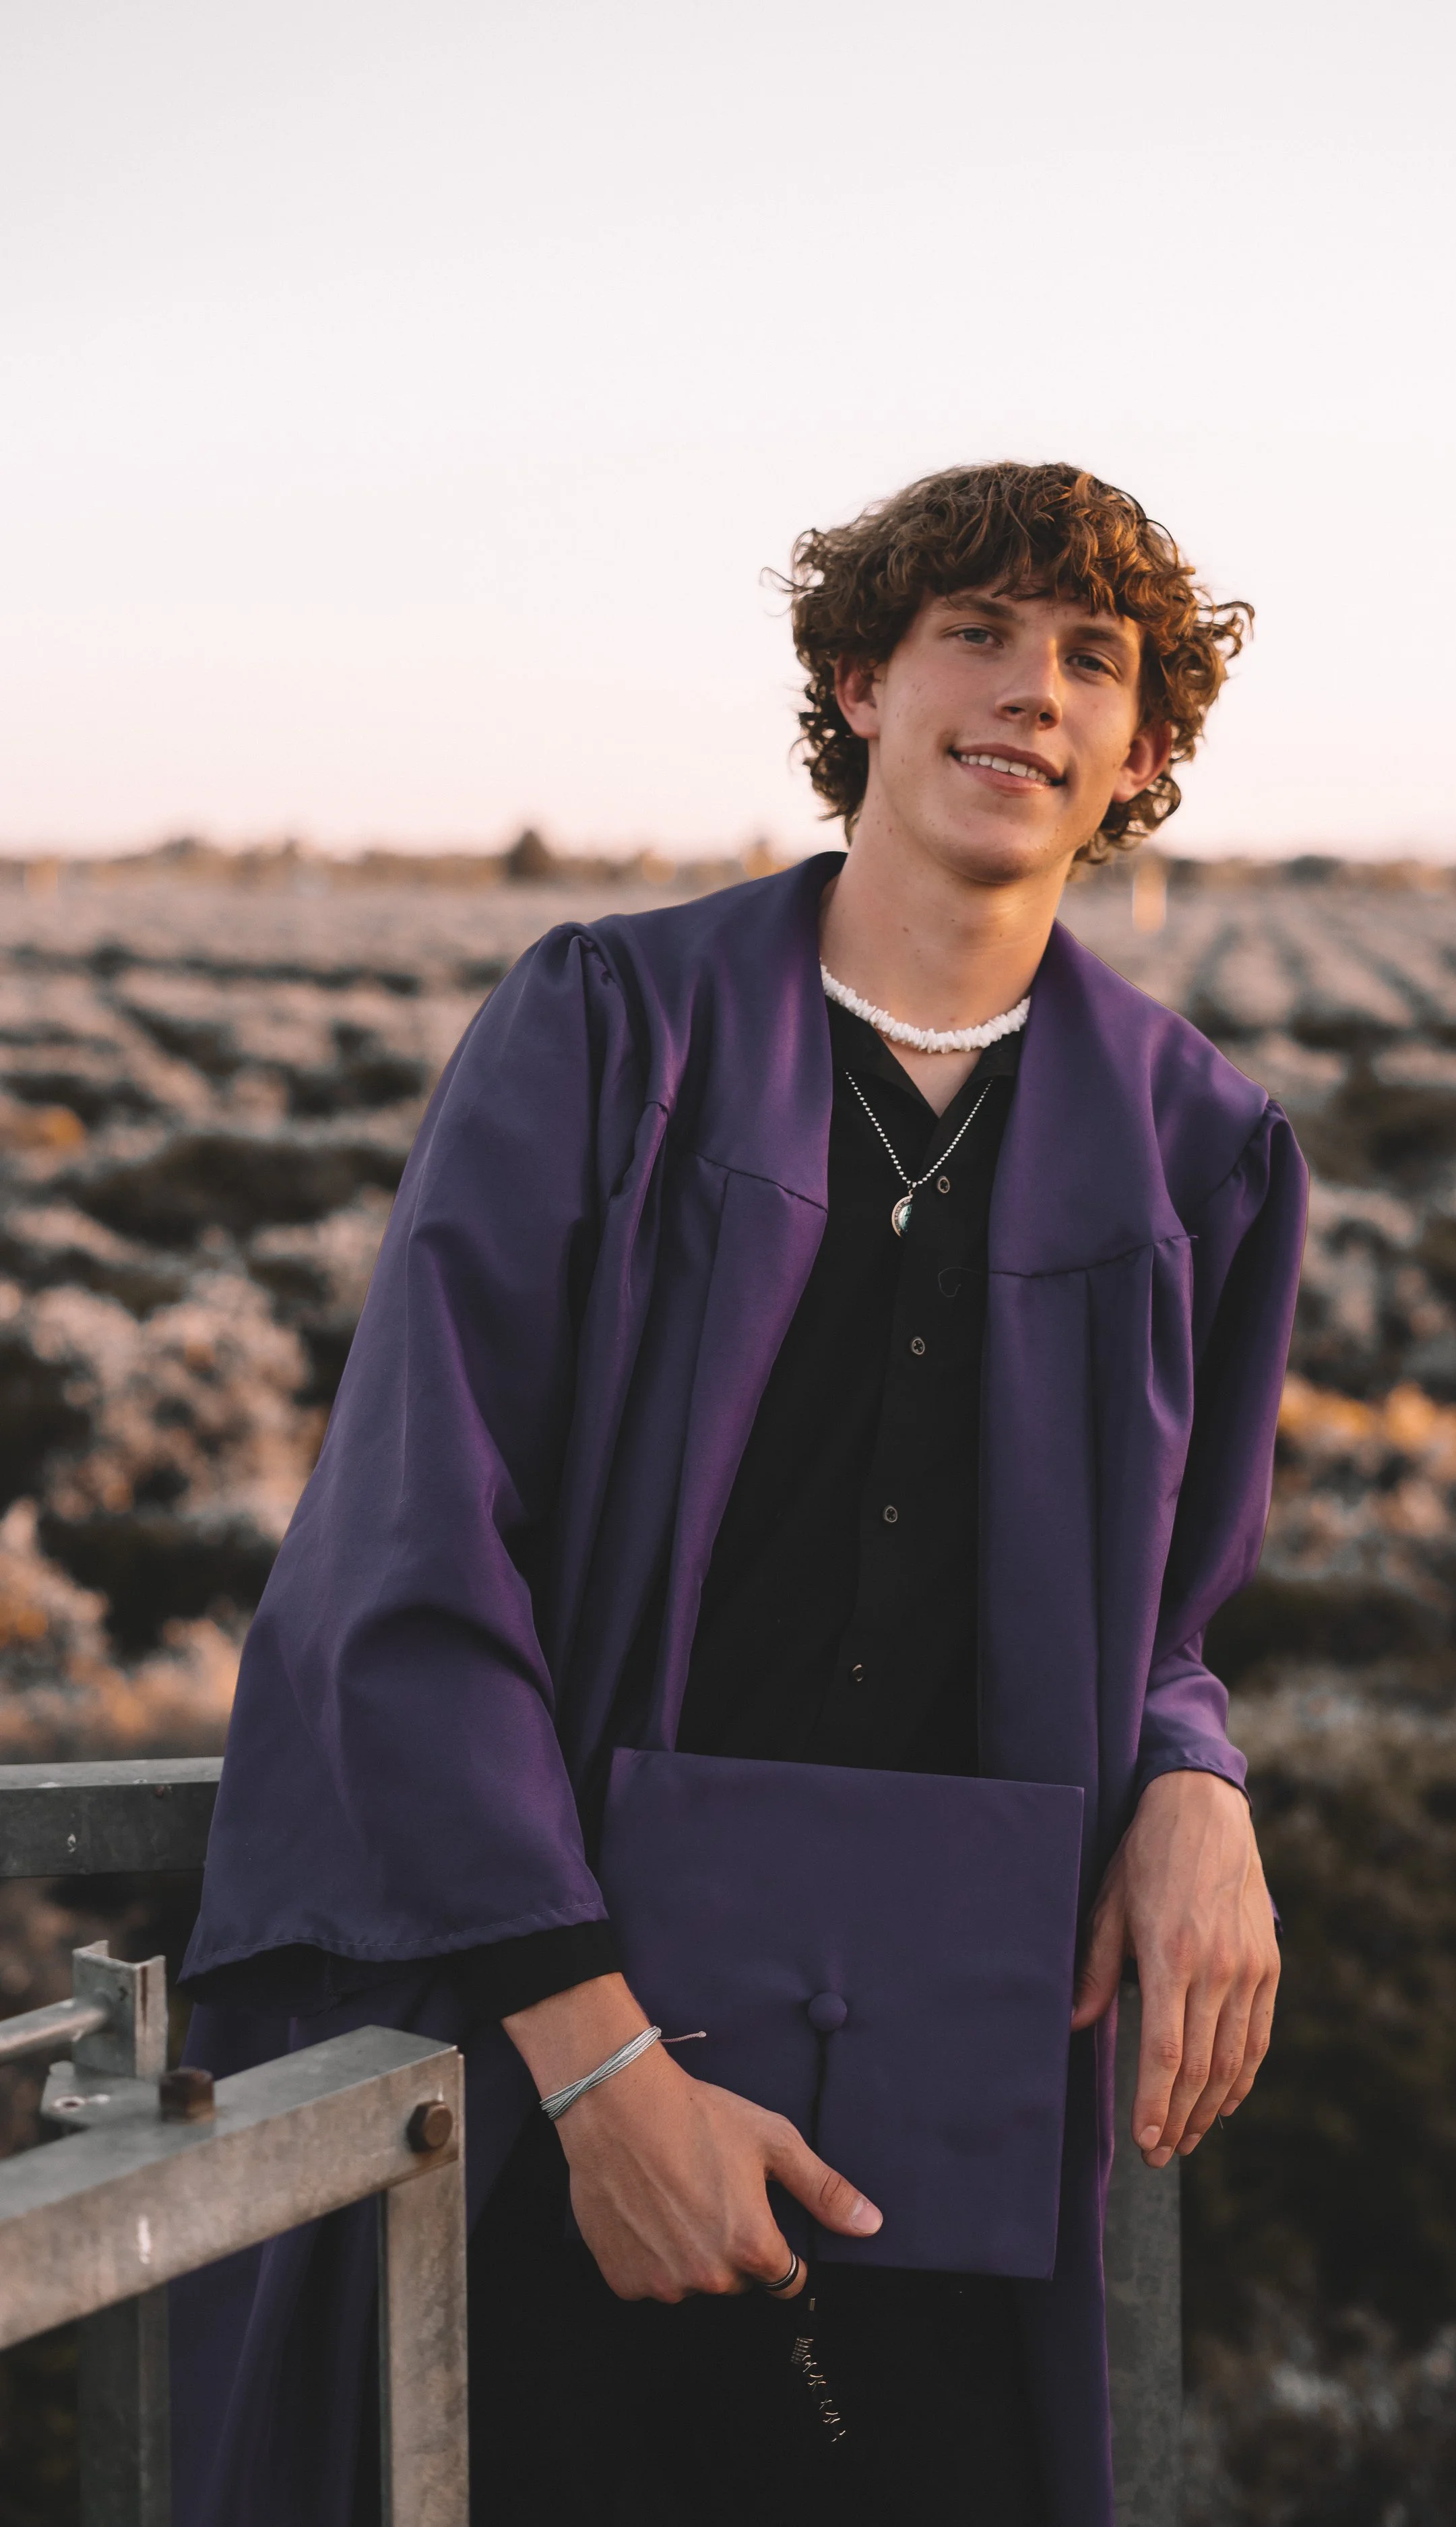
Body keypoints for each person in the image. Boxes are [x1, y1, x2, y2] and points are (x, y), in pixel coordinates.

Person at [175, 460, 1306, 2527]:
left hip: (940, 2113)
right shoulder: (609, 1034)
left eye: (1092, 660)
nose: (1031, 691)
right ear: (859, 680)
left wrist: (1192, 1769)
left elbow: (1167, 1610)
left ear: (1142, 750)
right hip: (551, 2071)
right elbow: (411, 1557)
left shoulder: (1195, 1151)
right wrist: (599, 2067)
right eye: (974, 633)